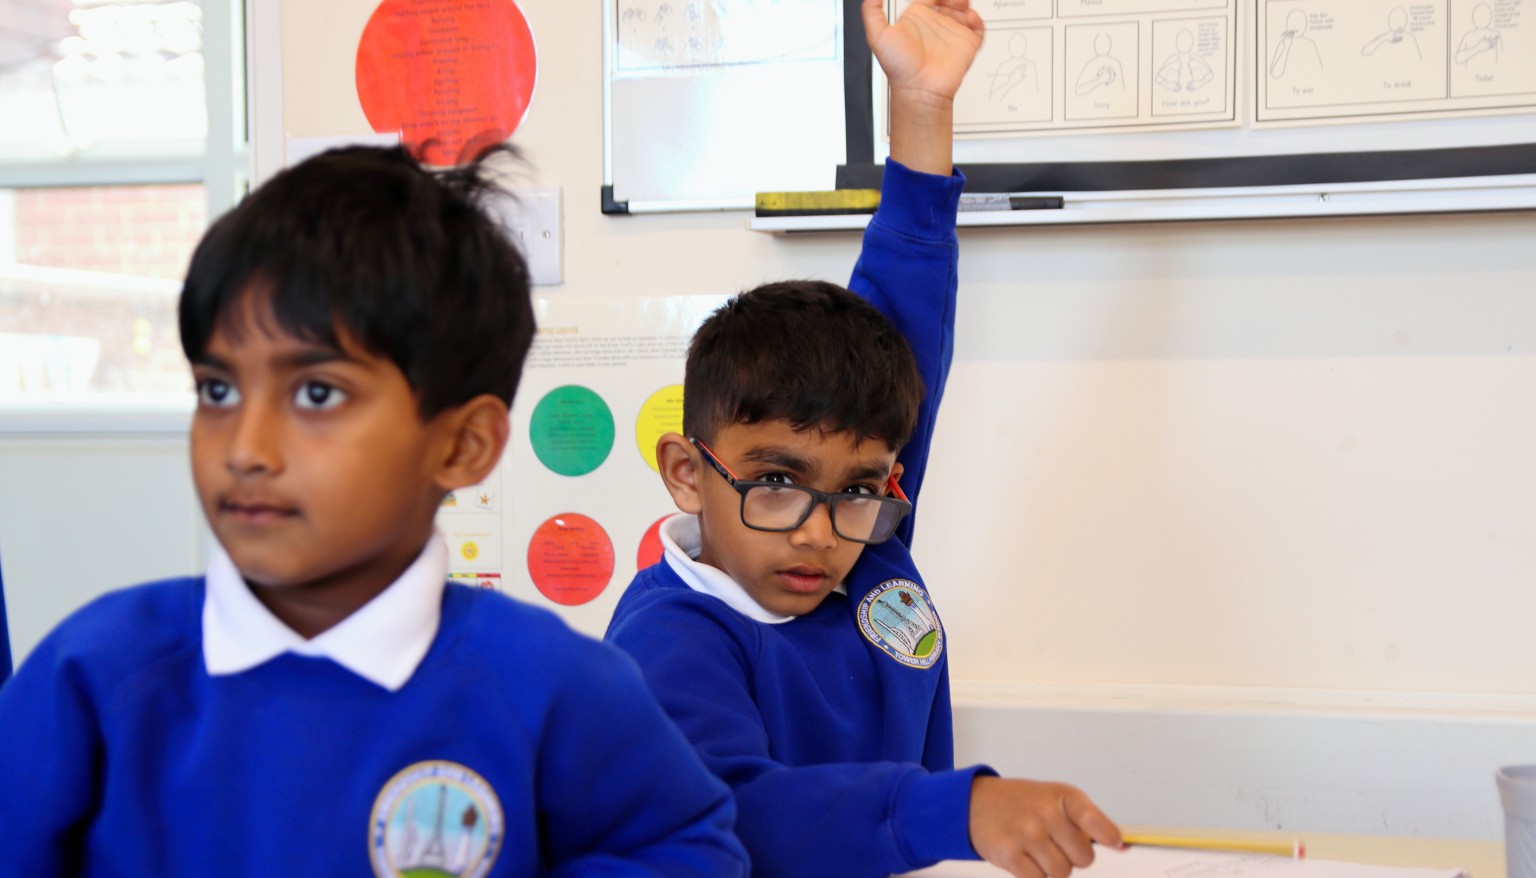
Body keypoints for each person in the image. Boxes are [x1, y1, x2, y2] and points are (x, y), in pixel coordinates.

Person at [0, 146, 749, 877]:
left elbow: (689, 849)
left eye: (316, 394)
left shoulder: (556, 685)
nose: (246, 448)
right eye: (218, 391)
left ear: (462, 445)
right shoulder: (95, 675)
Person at [604, 1, 1122, 876]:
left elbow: (904, 314)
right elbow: (737, 814)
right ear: (688, 474)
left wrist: (922, 107)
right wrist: (958, 807)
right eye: (775, 480)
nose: (816, 528)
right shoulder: (671, 639)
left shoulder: (865, 537)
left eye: (858, 487)